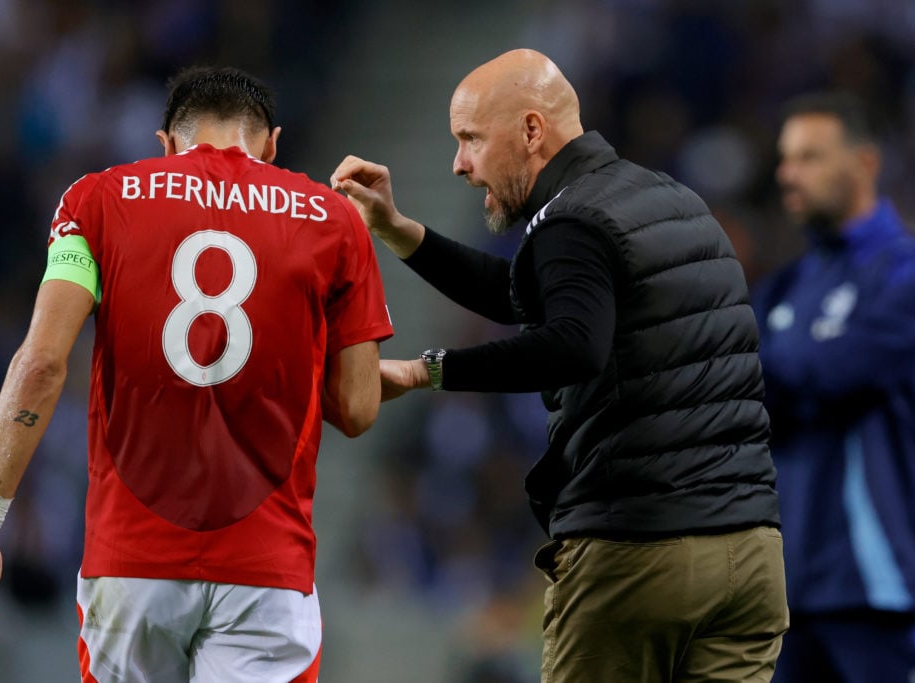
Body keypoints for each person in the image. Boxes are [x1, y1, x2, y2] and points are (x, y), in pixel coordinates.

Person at [331, 48, 788, 682]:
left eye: (470, 139)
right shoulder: (671, 201)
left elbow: (572, 343)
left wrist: (425, 371)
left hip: (640, 551)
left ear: (530, 130)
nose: (459, 164)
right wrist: (398, 228)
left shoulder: (571, 220)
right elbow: (527, 295)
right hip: (750, 557)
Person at [0, 65, 393, 683]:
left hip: (130, 564)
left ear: (165, 142)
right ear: (271, 144)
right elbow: (357, 408)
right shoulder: (333, 220)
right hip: (266, 569)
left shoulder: (96, 200)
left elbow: (43, 363)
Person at [753, 91, 915, 683]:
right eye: (785, 158)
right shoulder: (783, 289)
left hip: (881, 584)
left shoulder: (911, 271)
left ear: (864, 163)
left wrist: (778, 366)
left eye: (808, 157)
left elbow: (841, 372)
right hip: (789, 593)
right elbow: (743, 392)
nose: (787, 174)